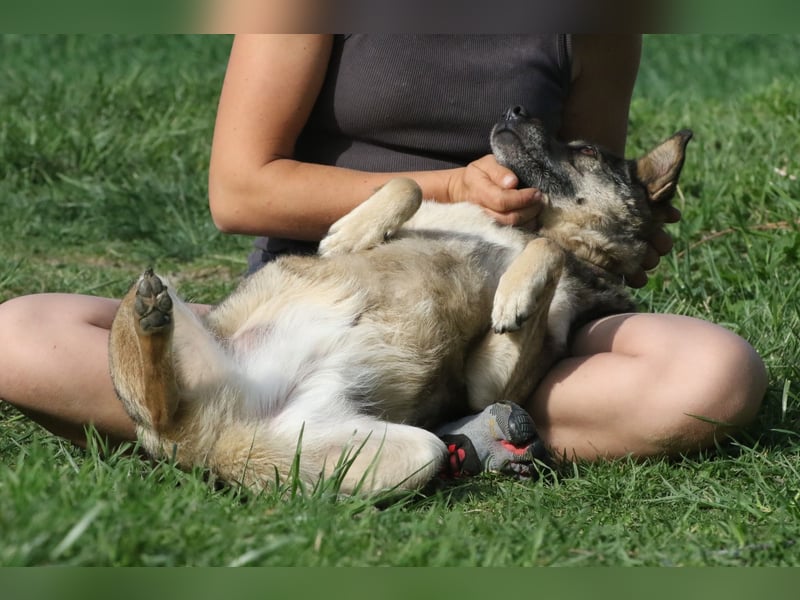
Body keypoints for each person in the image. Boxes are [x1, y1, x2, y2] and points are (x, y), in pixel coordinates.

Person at [0, 34, 767, 465]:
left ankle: (281, 434)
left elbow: (582, 172)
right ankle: (405, 448)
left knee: (717, 375)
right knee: (17, 338)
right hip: (314, 295)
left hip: (494, 314)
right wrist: (445, 190)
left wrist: (622, 235)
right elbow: (239, 190)